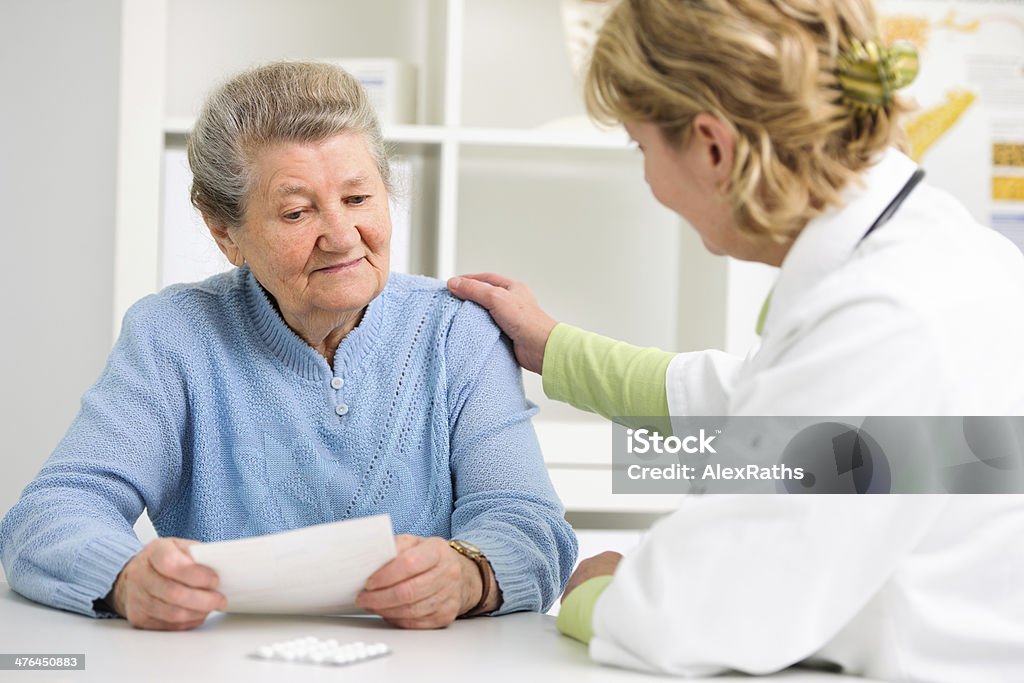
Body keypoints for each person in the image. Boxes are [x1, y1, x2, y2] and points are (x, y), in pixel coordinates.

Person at [447, 0, 1024, 679]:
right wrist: (555, 349)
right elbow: (757, 401)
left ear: (712, 146)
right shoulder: (951, 256)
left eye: (642, 146)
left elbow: (687, 619)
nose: (647, 178)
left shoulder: (886, 320)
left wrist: (597, 589)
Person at [0, 62, 576, 631]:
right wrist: (124, 578)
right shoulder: (172, 333)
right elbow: (51, 513)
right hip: (224, 665)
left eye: (357, 199)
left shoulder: (458, 332)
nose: (342, 237)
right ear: (226, 234)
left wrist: (468, 574)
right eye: (297, 212)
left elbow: (528, 524)